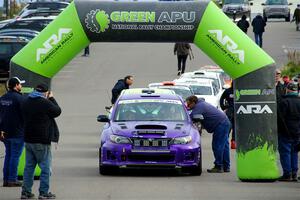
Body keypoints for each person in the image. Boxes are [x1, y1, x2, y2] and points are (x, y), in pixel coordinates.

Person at [21, 84, 61, 199]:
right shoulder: (44, 102)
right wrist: (52, 98)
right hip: (41, 140)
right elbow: (57, 111)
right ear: (45, 93)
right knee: (45, 167)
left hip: (28, 139)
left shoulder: (26, 101)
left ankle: (26, 192)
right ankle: (43, 193)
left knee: (29, 167)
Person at [186, 95, 231, 173]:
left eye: (189, 104)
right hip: (224, 122)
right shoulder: (201, 104)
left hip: (220, 124)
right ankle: (226, 166)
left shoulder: (199, 106)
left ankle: (218, 166)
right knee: (224, 146)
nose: (188, 106)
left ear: (193, 102)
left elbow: (192, 117)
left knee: (217, 145)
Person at [0, 77, 25, 187]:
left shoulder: (3, 98)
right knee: (15, 156)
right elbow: (25, 115)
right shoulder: (20, 99)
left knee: (8, 155)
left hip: (4, 132)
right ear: (16, 86)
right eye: (20, 84)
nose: (21, 86)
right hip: (17, 132)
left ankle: (6, 179)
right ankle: (12, 179)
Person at [277, 82, 300, 182]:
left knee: (285, 152)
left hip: (285, 131)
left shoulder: (284, 102)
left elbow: (280, 118)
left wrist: (281, 130)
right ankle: (294, 174)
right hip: (297, 132)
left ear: (287, 90)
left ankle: (287, 174)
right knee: (294, 152)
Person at [219, 81, 235, 149]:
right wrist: (223, 107)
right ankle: (226, 140)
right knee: (229, 126)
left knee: (235, 127)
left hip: (238, 110)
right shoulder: (227, 91)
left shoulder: (240, 91)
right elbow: (221, 99)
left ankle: (233, 142)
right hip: (230, 110)